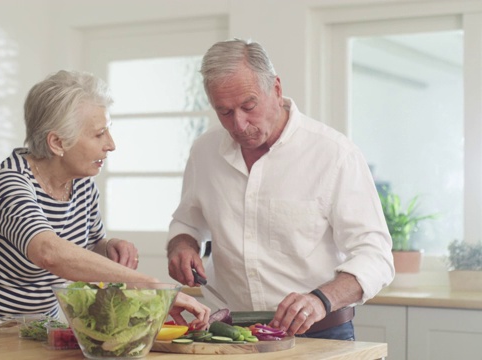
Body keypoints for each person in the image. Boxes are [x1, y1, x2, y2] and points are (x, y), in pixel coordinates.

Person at [0, 70, 210, 337]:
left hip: (25, 327)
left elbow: (85, 248)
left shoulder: (81, 183)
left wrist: (107, 247)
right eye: (98, 134)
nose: (111, 144)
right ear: (57, 143)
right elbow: (49, 252)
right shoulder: (10, 182)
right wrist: (151, 287)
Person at [166, 39, 395, 341]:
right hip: (229, 335)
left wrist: (320, 299)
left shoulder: (334, 154)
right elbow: (188, 222)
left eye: (249, 106)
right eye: (224, 112)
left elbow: (376, 255)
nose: (239, 124)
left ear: (275, 88)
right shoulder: (204, 152)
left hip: (320, 335)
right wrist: (182, 247)